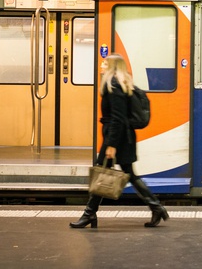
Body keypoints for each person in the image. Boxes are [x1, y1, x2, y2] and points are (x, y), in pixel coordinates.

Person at [70, 53, 169, 229]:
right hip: (123, 136)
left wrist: (111, 145)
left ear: (113, 67)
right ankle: (156, 207)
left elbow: (117, 118)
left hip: (118, 138)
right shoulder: (120, 84)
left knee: (102, 173)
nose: (101, 65)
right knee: (127, 173)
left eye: (105, 63)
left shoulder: (113, 85)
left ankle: (89, 214)